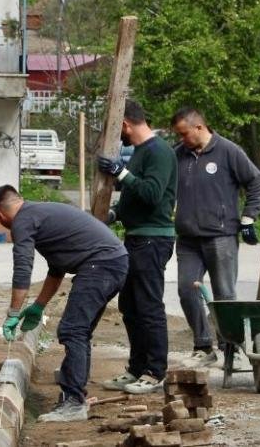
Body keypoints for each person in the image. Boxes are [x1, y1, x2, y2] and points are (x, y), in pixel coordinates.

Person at [0, 185, 128, 422]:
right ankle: (74, 392)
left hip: (100, 265)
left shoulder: (23, 221)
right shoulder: (41, 214)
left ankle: (73, 402)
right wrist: (39, 306)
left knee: (72, 330)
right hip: (113, 262)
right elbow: (57, 269)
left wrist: (13, 312)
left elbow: (23, 268)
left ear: (0, 215)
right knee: (79, 331)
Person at [170, 107, 260, 367]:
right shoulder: (178, 155)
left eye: (184, 133)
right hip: (188, 239)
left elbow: (257, 183)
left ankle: (229, 347)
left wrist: (248, 218)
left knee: (224, 295)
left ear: (199, 127)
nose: (181, 139)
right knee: (186, 290)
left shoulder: (228, 151)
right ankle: (203, 346)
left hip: (221, 237)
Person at [96, 100, 177, 394]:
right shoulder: (142, 152)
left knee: (149, 306)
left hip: (153, 239)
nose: (117, 137)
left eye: (116, 129)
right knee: (129, 305)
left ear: (126, 125)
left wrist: (121, 172)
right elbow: (134, 195)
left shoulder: (160, 152)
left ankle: (155, 372)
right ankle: (136, 368)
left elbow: (153, 193)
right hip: (136, 237)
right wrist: (115, 213)